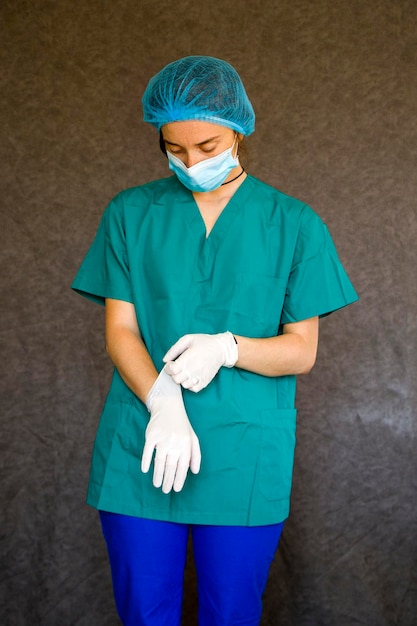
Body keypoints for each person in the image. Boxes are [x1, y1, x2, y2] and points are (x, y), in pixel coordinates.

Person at [72, 56, 359, 626]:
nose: (191, 162)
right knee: (143, 613)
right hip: (143, 447)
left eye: (206, 145)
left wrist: (230, 346)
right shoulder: (130, 214)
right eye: (174, 150)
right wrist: (161, 398)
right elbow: (121, 330)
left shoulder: (294, 223)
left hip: (244, 453)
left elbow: (301, 349)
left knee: (230, 613)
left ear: (238, 129)